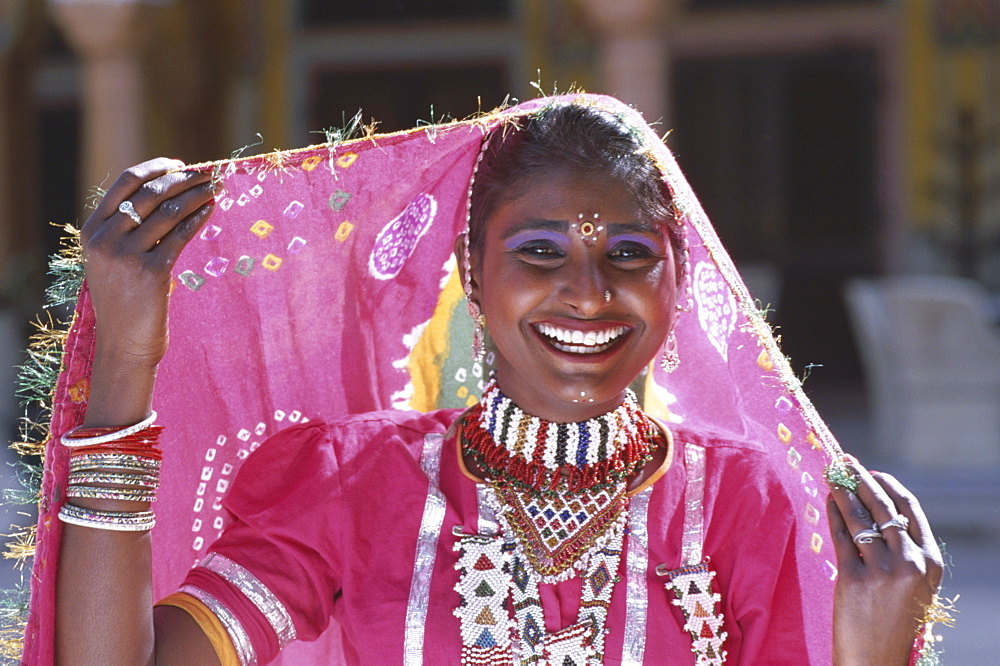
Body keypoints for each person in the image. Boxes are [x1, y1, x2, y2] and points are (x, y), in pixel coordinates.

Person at [42, 95, 941, 665]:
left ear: (680, 280)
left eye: (629, 254)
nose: (587, 293)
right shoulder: (356, 482)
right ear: (472, 271)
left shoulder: (740, 501)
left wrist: (872, 649)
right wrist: (124, 361)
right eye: (540, 251)